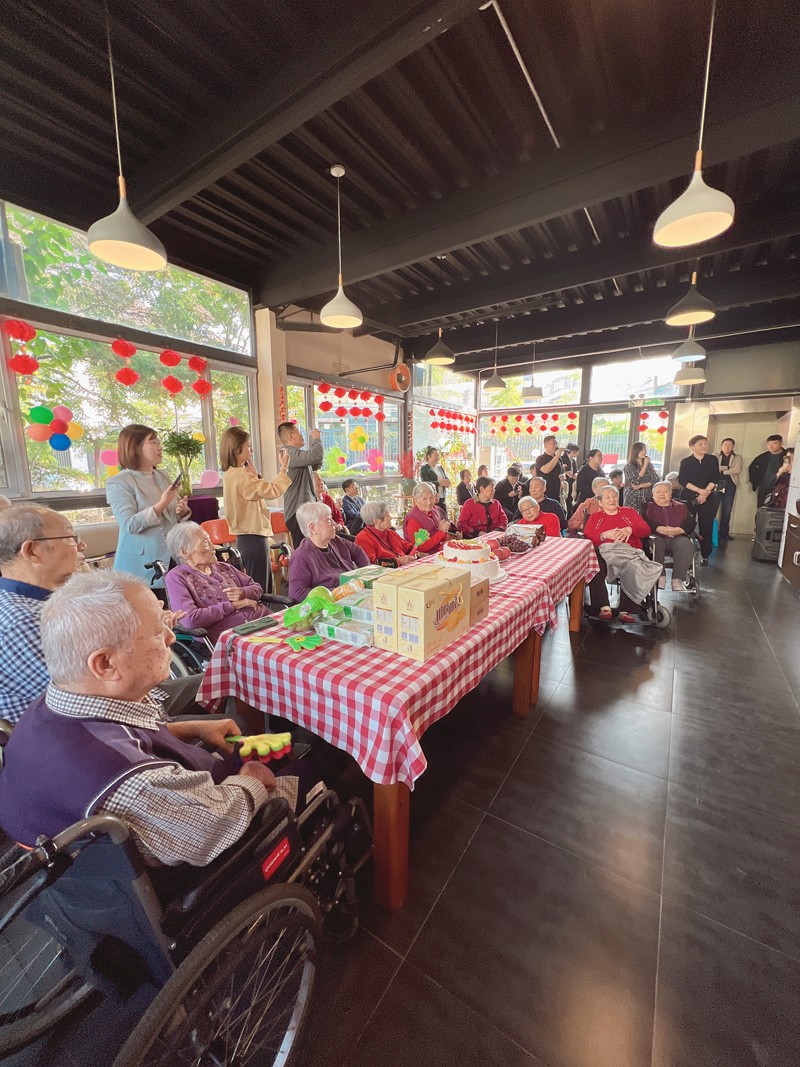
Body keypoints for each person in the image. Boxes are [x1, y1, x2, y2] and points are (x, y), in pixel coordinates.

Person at [0, 570, 309, 864]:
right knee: (315, 763)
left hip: (98, 854)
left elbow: (118, 739)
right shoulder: (133, 781)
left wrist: (192, 727)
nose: (171, 638)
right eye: (157, 632)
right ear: (105, 664)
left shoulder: (50, 707)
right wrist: (252, 780)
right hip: (204, 856)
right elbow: (213, 826)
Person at [0, 506, 199, 726]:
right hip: (111, 727)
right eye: (71, 538)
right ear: (32, 551)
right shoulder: (22, 622)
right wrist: (186, 729)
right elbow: (90, 707)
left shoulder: (52, 599)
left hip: (137, 704)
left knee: (223, 675)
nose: (82, 546)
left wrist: (151, 625)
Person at [106, 424, 191, 582]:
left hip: (172, 558)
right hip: (141, 567)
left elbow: (171, 516)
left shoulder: (162, 476)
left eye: (159, 442)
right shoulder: (119, 482)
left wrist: (182, 511)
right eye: (153, 442)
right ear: (135, 447)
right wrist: (161, 505)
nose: (160, 447)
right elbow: (129, 525)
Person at [164, 522, 272, 646]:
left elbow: (257, 587)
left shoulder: (223, 567)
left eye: (210, 541)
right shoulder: (177, 577)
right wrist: (233, 605)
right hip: (232, 636)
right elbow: (191, 619)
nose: (213, 547)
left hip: (263, 621)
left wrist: (243, 593)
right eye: (206, 543)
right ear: (185, 552)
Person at [220, 425, 291, 593]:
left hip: (246, 537)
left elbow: (254, 492)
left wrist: (255, 475)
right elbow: (272, 491)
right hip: (253, 537)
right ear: (236, 450)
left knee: (257, 583)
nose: (251, 450)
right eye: (248, 446)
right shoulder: (241, 475)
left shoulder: (232, 473)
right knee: (261, 587)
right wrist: (284, 468)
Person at [584, 485, 652, 622]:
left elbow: (646, 530)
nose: (612, 499)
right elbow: (587, 535)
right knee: (594, 565)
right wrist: (604, 535)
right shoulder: (596, 517)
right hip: (603, 552)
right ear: (600, 502)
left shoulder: (629, 512)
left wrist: (631, 529)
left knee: (633, 566)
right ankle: (603, 606)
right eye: (607, 497)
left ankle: (625, 610)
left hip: (628, 551)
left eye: (614, 496)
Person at [287, 502, 369, 602]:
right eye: (328, 520)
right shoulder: (301, 557)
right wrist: (336, 593)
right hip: (332, 605)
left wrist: (367, 574)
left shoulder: (336, 541)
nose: (334, 523)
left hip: (355, 594)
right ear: (313, 528)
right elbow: (297, 593)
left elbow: (358, 551)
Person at [277, 422, 324, 549]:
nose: (302, 435)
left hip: (304, 511)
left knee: (314, 550)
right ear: (291, 436)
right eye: (298, 432)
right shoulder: (288, 454)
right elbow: (316, 456)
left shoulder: (297, 454)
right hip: (296, 513)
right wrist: (316, 440)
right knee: (305, 551)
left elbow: (317, 462)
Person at [646, 481, 697, 590]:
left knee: (686, 544)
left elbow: (691, 522)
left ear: (670, 494)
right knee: (656, 544)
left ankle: (677, 579)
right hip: (657, 536)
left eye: (665, 491)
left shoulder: (681, 506)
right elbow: (644, 522)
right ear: (653, 495)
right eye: (658, 492)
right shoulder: (648, 507)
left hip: (678, 537)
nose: (662, 494)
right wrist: (658, 528)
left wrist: (679, 530)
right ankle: (660, 577)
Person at [678, 435, 720, 564]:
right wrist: (699, 491)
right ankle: (685, 552)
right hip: (689, 496)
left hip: (708, 497)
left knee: (706, 525)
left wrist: (705, 493)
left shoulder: (712, 460)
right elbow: (683, 480)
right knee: (687, 524)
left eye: (705, 444)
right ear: (692, 447)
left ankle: (705, 554)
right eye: (700, 444)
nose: (704, 446)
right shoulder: (686, 462)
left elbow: (715, 478)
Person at [355, 501, 416, 566]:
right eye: (387, 515)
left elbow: (406, 546)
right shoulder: (363, 539)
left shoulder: (390, 532)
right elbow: (372, 563)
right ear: (377, 521)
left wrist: (416, 552)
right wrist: (397, 561)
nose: (390, 518)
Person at [402, 482, 451, 555]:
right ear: (415, 500)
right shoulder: (412, 520)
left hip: (439, 550)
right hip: (424, 556)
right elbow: (421, 547)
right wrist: (441, 532)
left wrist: (445, 530)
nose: (429, 502)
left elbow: (441, 536)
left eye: (431, 498)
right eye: (424, 499)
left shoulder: (435, 511)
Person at [715, 438, 743, 542]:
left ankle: (724, 534)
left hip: (731, 484)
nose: (727, 447)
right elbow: (714, 468)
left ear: (733, 446)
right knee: (713, 508)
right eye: (725, 445)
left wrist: (723, 471)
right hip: (717, 484)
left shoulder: (737, 457)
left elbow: (737, 469)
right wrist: (728, 468)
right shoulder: (715, 456)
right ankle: (710, 532)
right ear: (721, 446)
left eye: (729, 445)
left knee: (727, 510)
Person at [748, 435, 786, 507]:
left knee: (777, 508)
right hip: (764, 487)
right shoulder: (762, 457)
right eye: (768, 444)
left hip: (780, 488)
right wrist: (756, 482)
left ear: (781, 443)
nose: (771, 446)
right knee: (761, 508)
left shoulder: (786, 456)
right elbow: (752, 468)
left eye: (774, 443)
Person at [623, 442, 657, 513]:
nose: (644, 452)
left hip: (647, 496)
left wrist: (640, 486)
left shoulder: (649, 465)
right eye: (642, 450)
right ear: (636, 451)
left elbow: (655, 480)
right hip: (633, 498)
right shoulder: (629, 466)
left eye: (645, 450)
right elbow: (635, 481)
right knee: (633, 517)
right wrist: (644, 466)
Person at [534, 436, 566, 502]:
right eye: (553, 443)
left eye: (556, 443)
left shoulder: (559, 459)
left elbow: (562, 472)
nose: (556, 446)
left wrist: (562, 476)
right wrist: (557, 455)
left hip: (556, 490)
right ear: (546, 445)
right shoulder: (541, 458)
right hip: (545, 491)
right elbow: (546, 470)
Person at [562, 444, 579, 514]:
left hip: (572, 482)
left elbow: (576, 470)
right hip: (565, 482)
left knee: (570, 499)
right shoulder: (562, 458)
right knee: (566, 499)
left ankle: (570, 513)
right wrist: (565, 472)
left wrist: (575, 474)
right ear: (573, 451)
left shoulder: (573, 461)